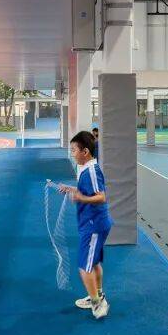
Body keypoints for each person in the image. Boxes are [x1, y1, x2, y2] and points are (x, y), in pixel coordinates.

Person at [57, 130, 112, 320]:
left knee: (84, 267)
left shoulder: (92, 171)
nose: (72, 154)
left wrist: (81, 197)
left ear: (85, 151)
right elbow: (87, 191)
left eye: (74, 150)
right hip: (94, 224)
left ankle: (97, 305)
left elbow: (101, 197)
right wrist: (72, 189)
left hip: (94, 226)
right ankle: (97, 296)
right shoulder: (87, 170)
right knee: (94, 262)